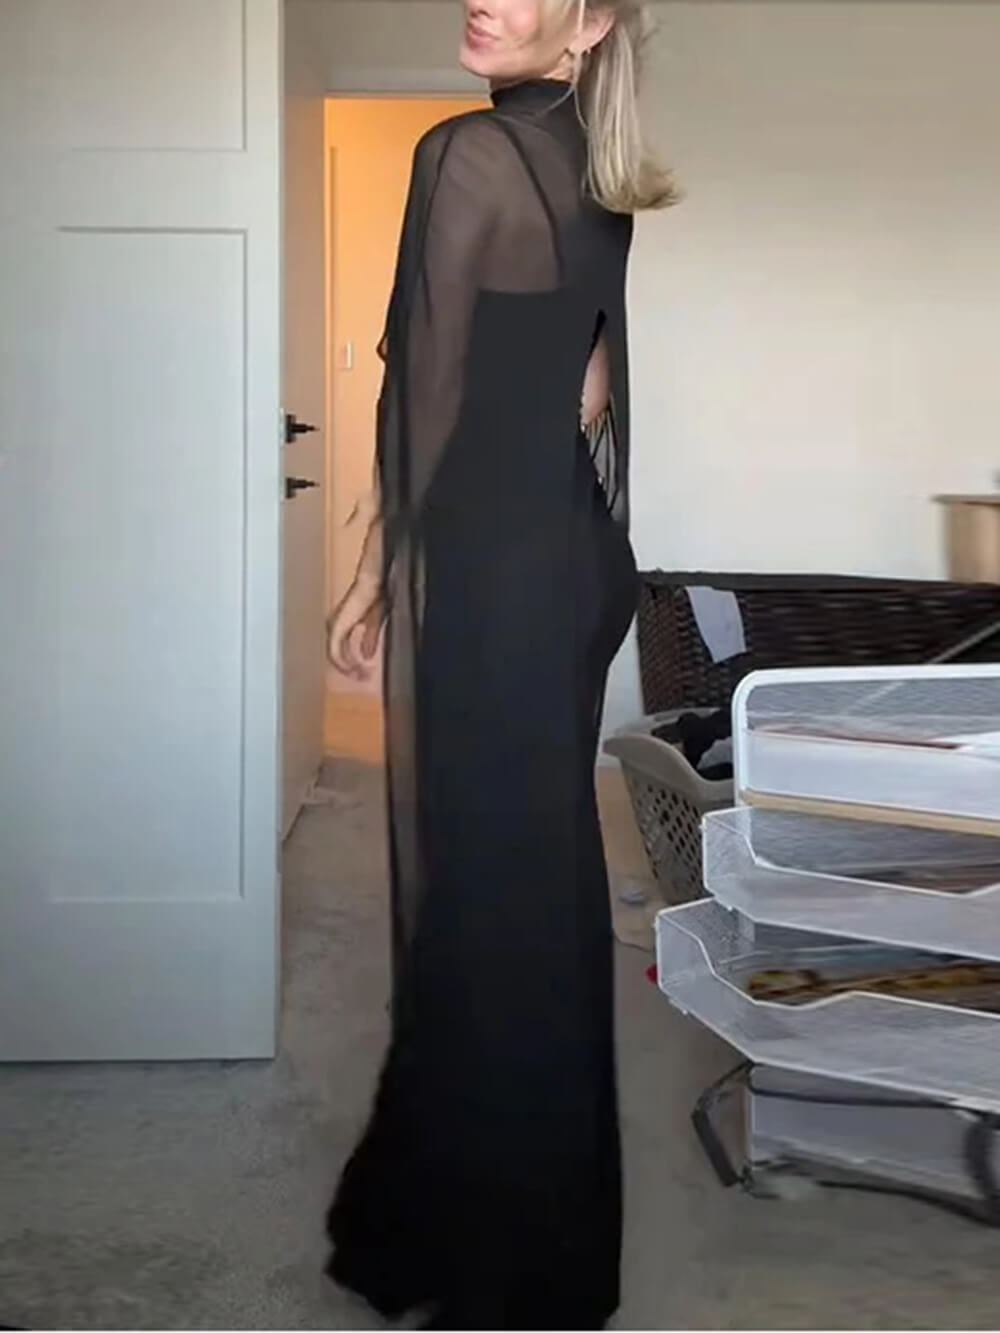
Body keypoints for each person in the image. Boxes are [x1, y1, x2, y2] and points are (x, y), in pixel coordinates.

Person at [325, 0, 675, 1325]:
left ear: (589, 25)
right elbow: (594, 392)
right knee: (532, 887)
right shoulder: (604, 171)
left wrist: (372, 576)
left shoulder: (467, 154)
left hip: (496, 572)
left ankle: (487, 1245)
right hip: (574, 561)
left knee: (482, 901)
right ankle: (535, 1233)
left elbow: (421, 397)